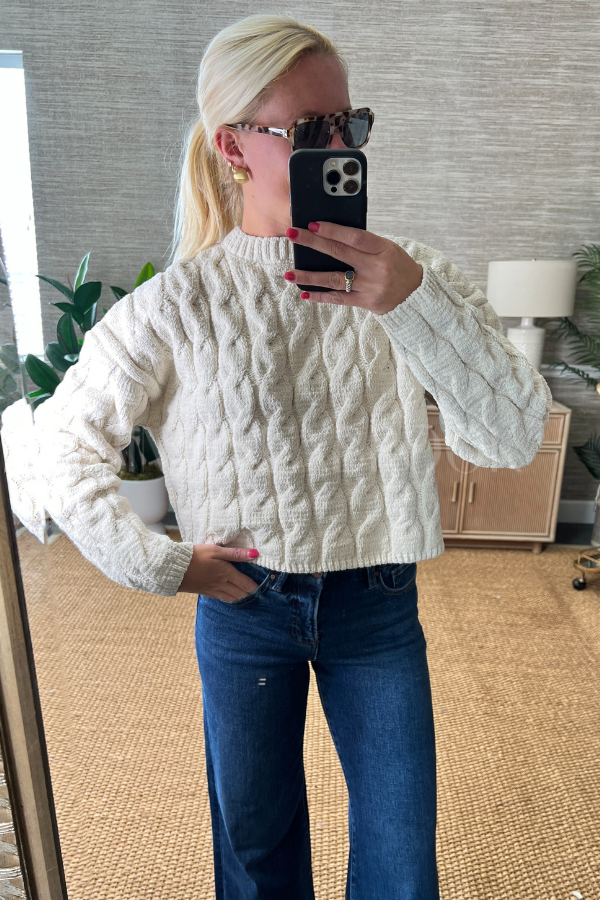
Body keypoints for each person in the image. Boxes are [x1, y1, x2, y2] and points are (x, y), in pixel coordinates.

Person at [1, 13, 553, 900]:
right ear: (233, 146)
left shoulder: (413, 276)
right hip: (245, 600)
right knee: (256, 854)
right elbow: (59, 447)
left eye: (350, 124)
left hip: (377, 599)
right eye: (308, 131)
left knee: (402, 861)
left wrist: (411, 303)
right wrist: (162, 564)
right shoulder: (176, 306)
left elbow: (512, 435)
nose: (339, 150)